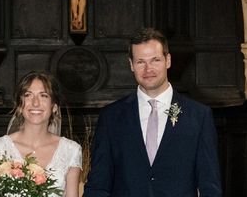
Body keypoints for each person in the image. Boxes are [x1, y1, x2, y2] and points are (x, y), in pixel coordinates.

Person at [84, 28, 222, 197]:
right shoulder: (111, 117)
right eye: (141, 62)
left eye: (155, 60)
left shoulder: (198, 116)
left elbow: (210, 187)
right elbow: (98, 185)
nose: (148, 69)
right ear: (131, 65)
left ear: (168, 60)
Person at [0, 71, 82, 197]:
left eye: (43, 96)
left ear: (54, 106)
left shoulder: (71, 150)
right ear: (20, 105)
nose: (35, 103)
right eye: (28, 95)